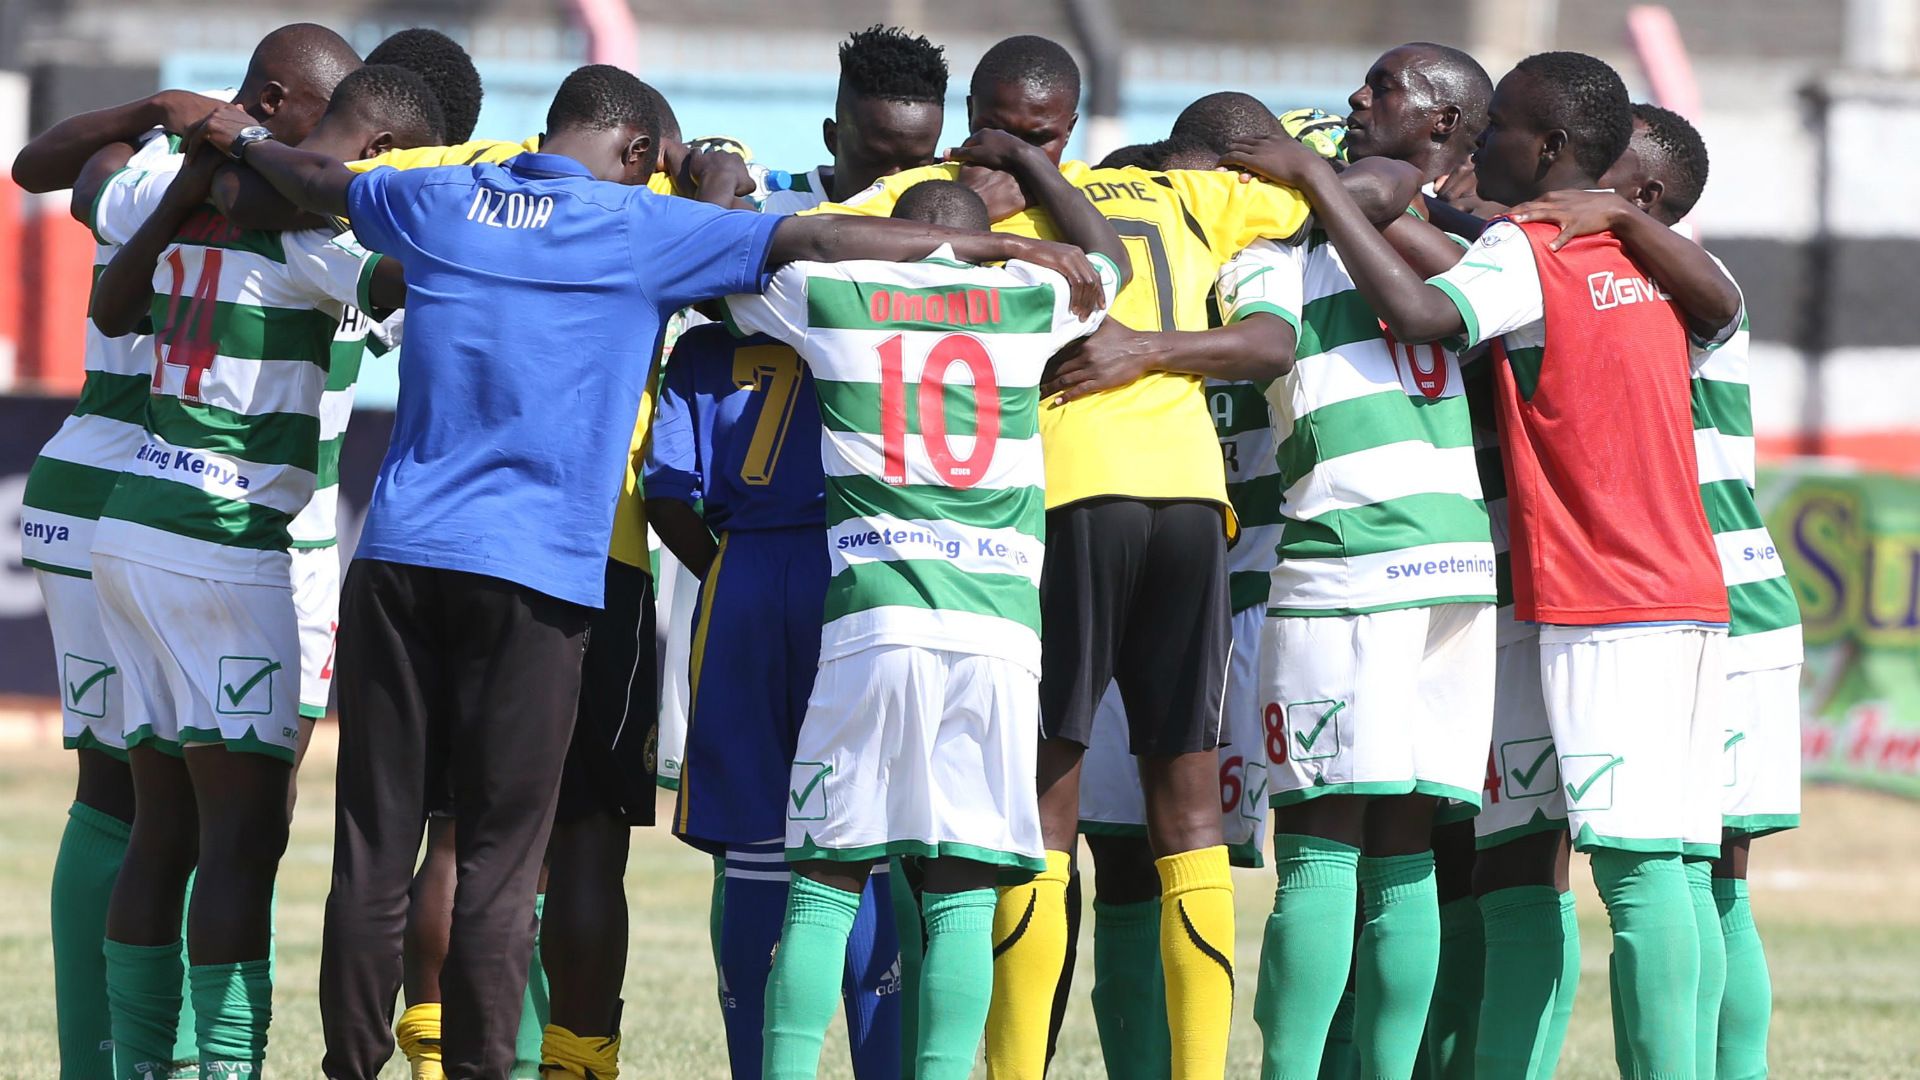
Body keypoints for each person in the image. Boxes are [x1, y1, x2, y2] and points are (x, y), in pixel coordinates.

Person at [194, 61, 1102, 1079]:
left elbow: (314, 182)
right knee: (507, 860)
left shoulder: (434, 195)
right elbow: (819, 236)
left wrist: (234, 142)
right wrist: (975, 245)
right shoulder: (639, 228)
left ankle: (350, 1068)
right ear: (636, 156)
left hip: (399, 558)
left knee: (372, 853)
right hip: (542, 578)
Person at [1222, 49, 1743, 1080]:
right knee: (1664, 868)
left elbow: (1426, 309)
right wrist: (1630, 222)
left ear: (1545, 147)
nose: (1483, 138)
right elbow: (1719, 307)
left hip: (1594, 594)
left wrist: (1321, 182)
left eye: (1499, 123)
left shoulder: (1527, 249)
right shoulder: (1652, 259)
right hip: (1681, 588)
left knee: (1624, 878)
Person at [819, 36, 1312, 1079]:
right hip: (1189, 503)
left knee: (1040, 799)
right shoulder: (1181, 194)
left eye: (1021, 134)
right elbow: (1343, 188)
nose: (1004, 149)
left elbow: (820, 237)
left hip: (1069, 502)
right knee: (1189, 812)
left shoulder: (948, 193)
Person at [731, 138, 1126, 1079]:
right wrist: (1035, 210)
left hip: (875, 621)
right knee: (962, 888)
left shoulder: (840, 295)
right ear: (991, 238)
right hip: (997, 631)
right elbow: (1104, 260)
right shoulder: (1037, 299)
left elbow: (741, 249)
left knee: (826, 879)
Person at [8, 25, 357, 1077]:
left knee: (127, 798)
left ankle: (113, 1059)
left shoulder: (159, 172)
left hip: (96, 483)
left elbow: (53, 175)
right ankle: (205, 1058)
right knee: (236, 810)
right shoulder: (310, 211)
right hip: (231, 511)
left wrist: (157, 113)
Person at [83, 63, 430, 1079]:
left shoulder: (197, 207)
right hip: (226, 549)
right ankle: (224, 1067)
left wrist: (209, 157)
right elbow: (411, 286)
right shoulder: (316, 244)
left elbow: (99, 268)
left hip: (133, 527)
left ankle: (146, 1064)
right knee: (243, 841)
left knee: (161, 830)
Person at [1201, 45, 1503, 1080]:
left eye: (1376, 91)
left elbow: (1264, 348)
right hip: (1456, 559)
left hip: (1351, 552)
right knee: (1407, 846)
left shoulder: (1271, 255)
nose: (1355, 101)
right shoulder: (1425, 238)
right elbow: (1390, 202)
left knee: (1321, 847)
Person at [761, 23, 947, 214]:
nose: (892, 184)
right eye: (875, 161)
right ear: (832, 139)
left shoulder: (949, 209)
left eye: (915, 167)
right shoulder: (773, 208)